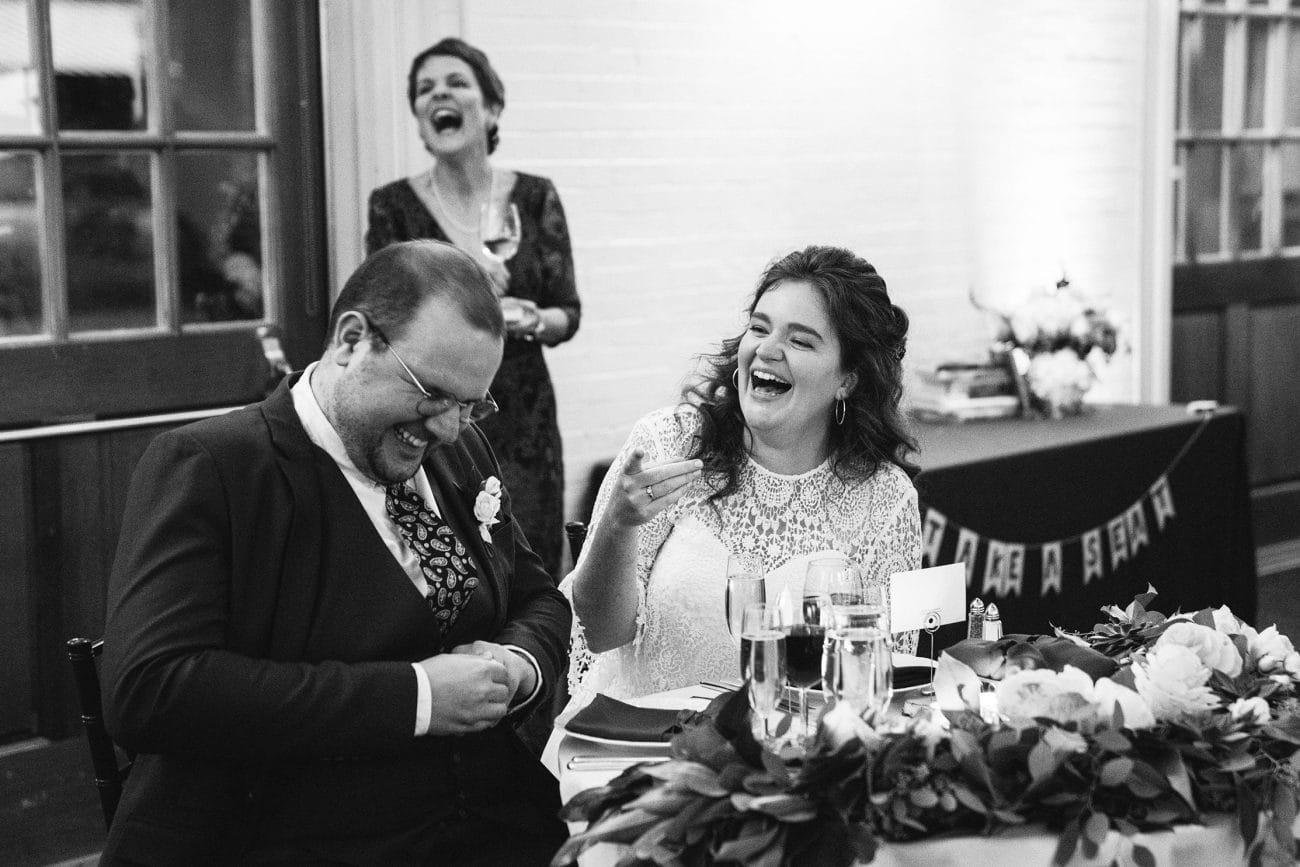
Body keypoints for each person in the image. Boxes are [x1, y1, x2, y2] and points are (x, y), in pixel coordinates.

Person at [100, 240, 571, 865]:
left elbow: (538, 595)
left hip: (490, 828)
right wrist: (417, 698)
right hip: (284, 836)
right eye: (432, 393)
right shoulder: (217, 468)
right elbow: (150, 692)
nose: (449, 428)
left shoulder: (460, 451)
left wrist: (517, 664)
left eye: (469, 404)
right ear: (352, 341)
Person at [561, 245, 921, 709]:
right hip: (641, 750)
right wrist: (618, 525)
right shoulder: (670, 442)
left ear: (847, 379)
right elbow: (600, 633)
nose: (767, 350)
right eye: (759, 327)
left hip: (793, 756)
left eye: (801, 340)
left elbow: (875, 683)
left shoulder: (883, 497)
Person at [366, 37, 579, 581]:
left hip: (524, 418)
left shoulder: (534, 198)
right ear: (418, 117)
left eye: (457, 83)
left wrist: (528, 317)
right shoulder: (392, 207)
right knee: (453, 568)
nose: (439, 94)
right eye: (424, 89)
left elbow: (567, 314)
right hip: (432, 411)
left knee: (528, 569)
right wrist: (462, 295)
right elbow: (384, 317)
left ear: (491, 108)